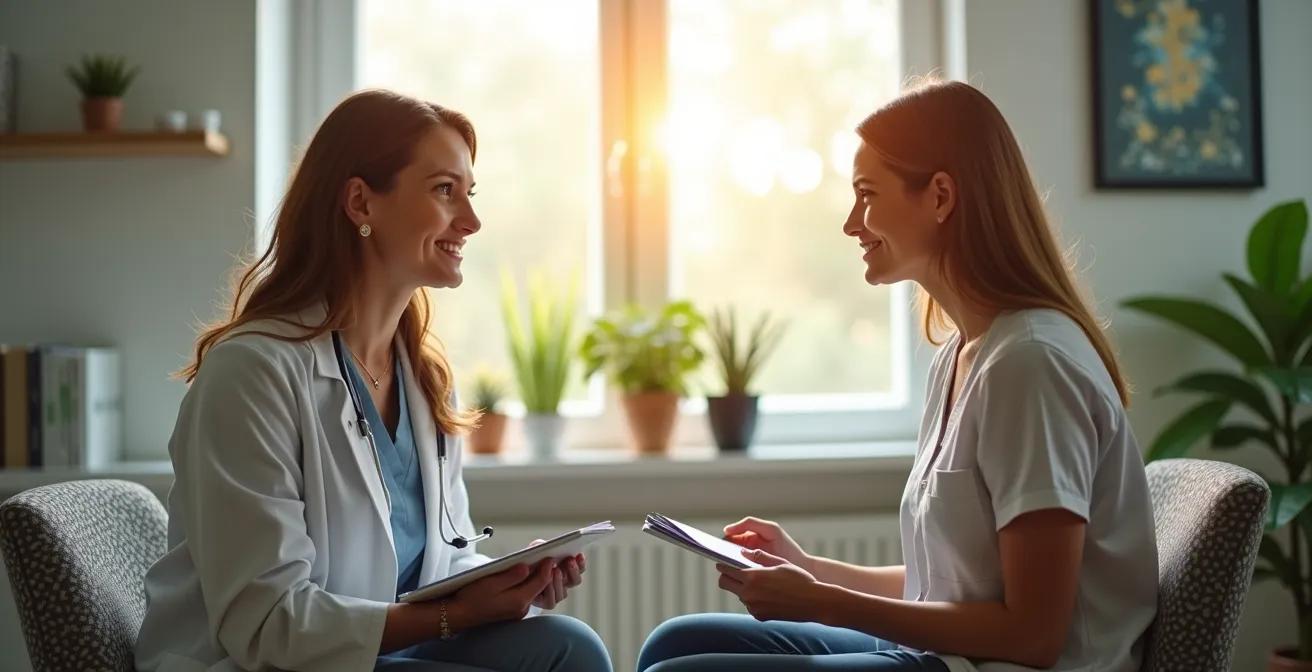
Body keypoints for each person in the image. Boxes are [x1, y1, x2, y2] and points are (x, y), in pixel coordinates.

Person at [636, 78, 1159, 672]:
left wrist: (823, 604)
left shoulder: (1031, 364)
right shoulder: (961, 354)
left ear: (940, 197)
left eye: (866, 195)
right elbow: (948, 582)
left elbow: (1034, 634)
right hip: (951, 655)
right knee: (673, 643)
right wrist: (809, 570)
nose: (850, 223)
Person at [134, 89, 612, 672]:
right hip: (276, 663)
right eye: (445, 190)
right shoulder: (252, 374)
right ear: (361, 202)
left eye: (470, 193)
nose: (471, 221)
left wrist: (507, 583)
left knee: (571, 648)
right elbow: (268, 624)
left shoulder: (424, 377)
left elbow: (437, 567)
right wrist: (456, 616)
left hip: (389, 650)